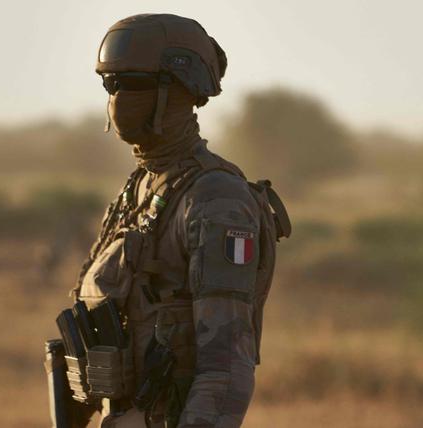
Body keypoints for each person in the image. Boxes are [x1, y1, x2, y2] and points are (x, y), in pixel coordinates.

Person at [66, 14, 289, 427]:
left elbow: (224, 369)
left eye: (132, 83)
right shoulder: (137, 191)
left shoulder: (216, 200)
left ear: (180, 89)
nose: (116, 98)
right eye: (110, 84)